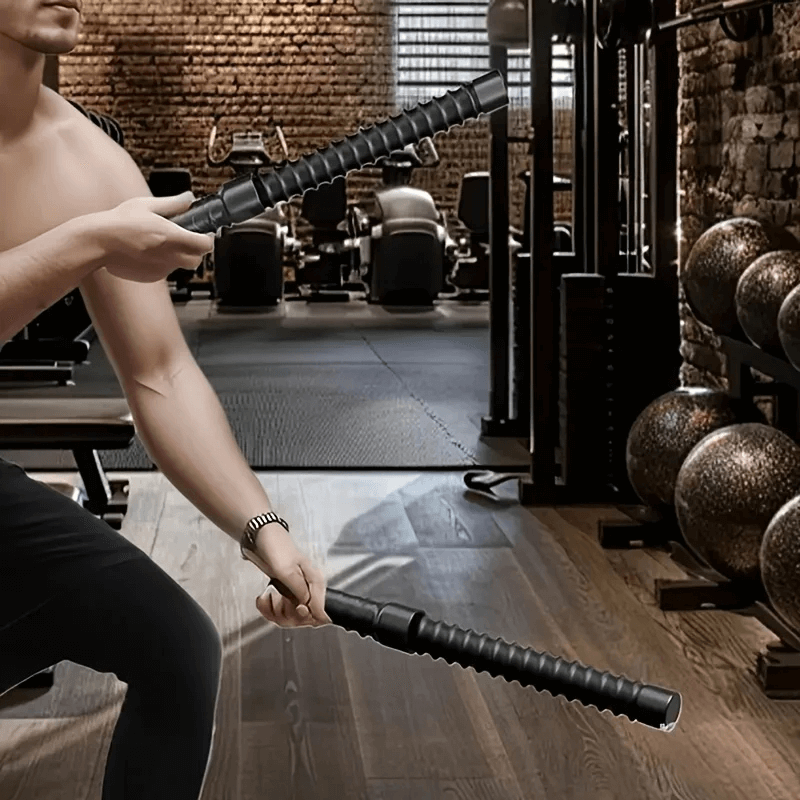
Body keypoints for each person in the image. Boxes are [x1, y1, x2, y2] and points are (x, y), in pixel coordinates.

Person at [0, 1, 331, 798]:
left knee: (176, 647)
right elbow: (95, 246)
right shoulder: (98, 213)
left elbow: (161, 374)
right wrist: (92, 240)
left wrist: (264, 530)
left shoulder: (90, 163)